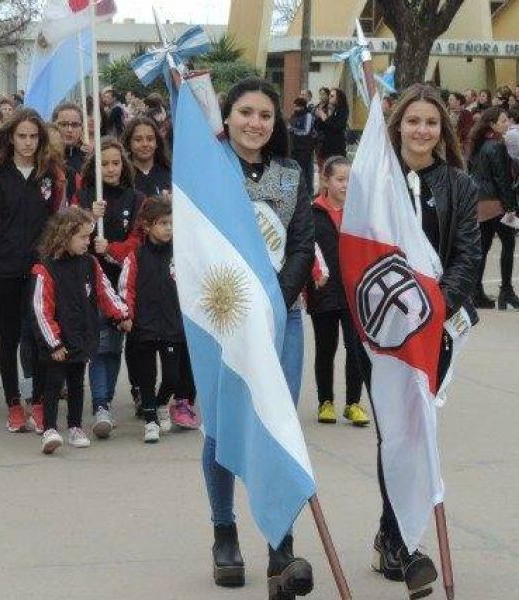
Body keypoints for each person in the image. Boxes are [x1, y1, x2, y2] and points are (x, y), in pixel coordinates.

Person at [203, 77, 315, 599]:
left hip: (281, 318)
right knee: (221, 428)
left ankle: (280, 545)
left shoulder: (292, 173)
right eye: (245, 112)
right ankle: (224, 532)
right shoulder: (210, 168)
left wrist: (275, 301)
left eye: (265, 115)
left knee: (278, 426)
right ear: (227, 117)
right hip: (222, 320)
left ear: (276, 123)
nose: (254, 123)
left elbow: (300, 243)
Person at [373, 83, 481, 599]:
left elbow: (467, 254)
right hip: (384, 329)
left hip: (435, 325)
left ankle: (392, 533)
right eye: (413, 121)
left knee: (420, 425)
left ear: (443, 130)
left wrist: (438, 310)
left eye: (431, 123)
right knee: (394, 429)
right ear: (398, 127)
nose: (422, 131)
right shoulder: (379, 181)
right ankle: (399, 541)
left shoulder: (459, 185)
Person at [0, 108, 68, 434]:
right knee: (10, 336)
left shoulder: (52, 174)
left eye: (33, 137)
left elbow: (59, 218)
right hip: (4, 268)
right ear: (11, 138)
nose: (28, 143)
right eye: (22, 136)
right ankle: (14, 403)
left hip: (41, 269)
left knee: (41, 336)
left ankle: (39, 402)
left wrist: (50, 258)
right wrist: (0, 252)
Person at [31, 207, 131, 454]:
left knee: (77, 383)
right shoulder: (45, 269)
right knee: (53, 384)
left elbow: (105, 291)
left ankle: (75, 426)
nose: (89, 242)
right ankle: (50, 429)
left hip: (81, 336)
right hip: (57, 341)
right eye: (83, 237)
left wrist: (122, 314)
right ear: (65, 236)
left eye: (89, 236)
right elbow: (41, 309)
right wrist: (53, 343)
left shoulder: (90, 264)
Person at [77, 137, 145, 438]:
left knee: (114, 344)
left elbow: (138, 239)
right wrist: (91, 218)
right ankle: (101, 403)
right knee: (98, 343)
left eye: (116, 163)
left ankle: (104, 400)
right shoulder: (84, 196)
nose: (111, 169)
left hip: (121, 281)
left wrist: (113, 248)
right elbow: (69, 231)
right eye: (104, 164)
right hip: (90, 280)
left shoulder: (135, 198)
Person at [119, 196, 196, 442]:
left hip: (173, 325)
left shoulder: (181, 253)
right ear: (147, 226)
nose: (169, 228)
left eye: (172, 223)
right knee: (147, 378)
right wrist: (126, 315)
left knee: (172, 377)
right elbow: (126, 288)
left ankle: (162, 403)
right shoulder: (136, 256)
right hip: (144, 326)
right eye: (163, 223)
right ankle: (150, 419)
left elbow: (192, 286)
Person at [306, 156, 368, 426]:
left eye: (350, 180)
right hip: (324, 293)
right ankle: (326, 401)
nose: (346, 185)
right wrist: (313, 274)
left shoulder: (360, 213)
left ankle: (353, 403)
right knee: (325, 348)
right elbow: (305, 249)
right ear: (325, 181)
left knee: (355, 349)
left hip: (355, 294)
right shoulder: (311, 212)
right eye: (340, 179)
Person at [468, 107, 519, 310]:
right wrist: (510, 207)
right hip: (495, 202)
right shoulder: (496, 146)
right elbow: (502, 178)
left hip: (480, 202)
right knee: (508, 244)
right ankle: (506, 291)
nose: (507, 124)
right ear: (492, 124)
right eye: (503, 121)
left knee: (483, 248)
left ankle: (476, 292)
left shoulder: (478, 144)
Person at [123, 116, 171, 198]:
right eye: (138, 140)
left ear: (157, 143)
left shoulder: (170, 174)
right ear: (128, 143)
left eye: (150, 139)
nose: (145, 144)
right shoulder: (122, 176)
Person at [314, 87, 349, 172]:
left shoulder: (342, 111)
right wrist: (319, 117)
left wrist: (325, 118)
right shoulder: (326, 109)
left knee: (335, 173)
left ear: (338, 98)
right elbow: (319, 127)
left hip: (336, 149)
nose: (329, 98)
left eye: (332, 96)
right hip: (324, 148)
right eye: (329, 95)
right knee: (323, 174)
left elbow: (337, 127)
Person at [288, 96, 317, 196]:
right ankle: (298, 192)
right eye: (294, 106)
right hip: (295, 148)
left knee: (306, 172)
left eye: (297, 106)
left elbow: (306, 131)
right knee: (296, 171)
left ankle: (308, 193)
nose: (295, 109)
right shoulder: (294, 116)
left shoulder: (308, 116)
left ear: (302, 106)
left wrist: (293, 130)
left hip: (306, 148)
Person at [52, 102, 88, 174]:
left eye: (75, 125)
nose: (69, 130)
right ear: (53, 126)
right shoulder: (45, 158)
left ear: (82, 127)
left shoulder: (88, 159)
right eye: (64, 124)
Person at [447, 92, 474, 158]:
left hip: (461, 147)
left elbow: (467, 131)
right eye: (448, 100)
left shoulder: (466, 114)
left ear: (458, 101)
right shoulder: (447, 113)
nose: (448, 101)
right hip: (448, 145)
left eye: (451, 99)